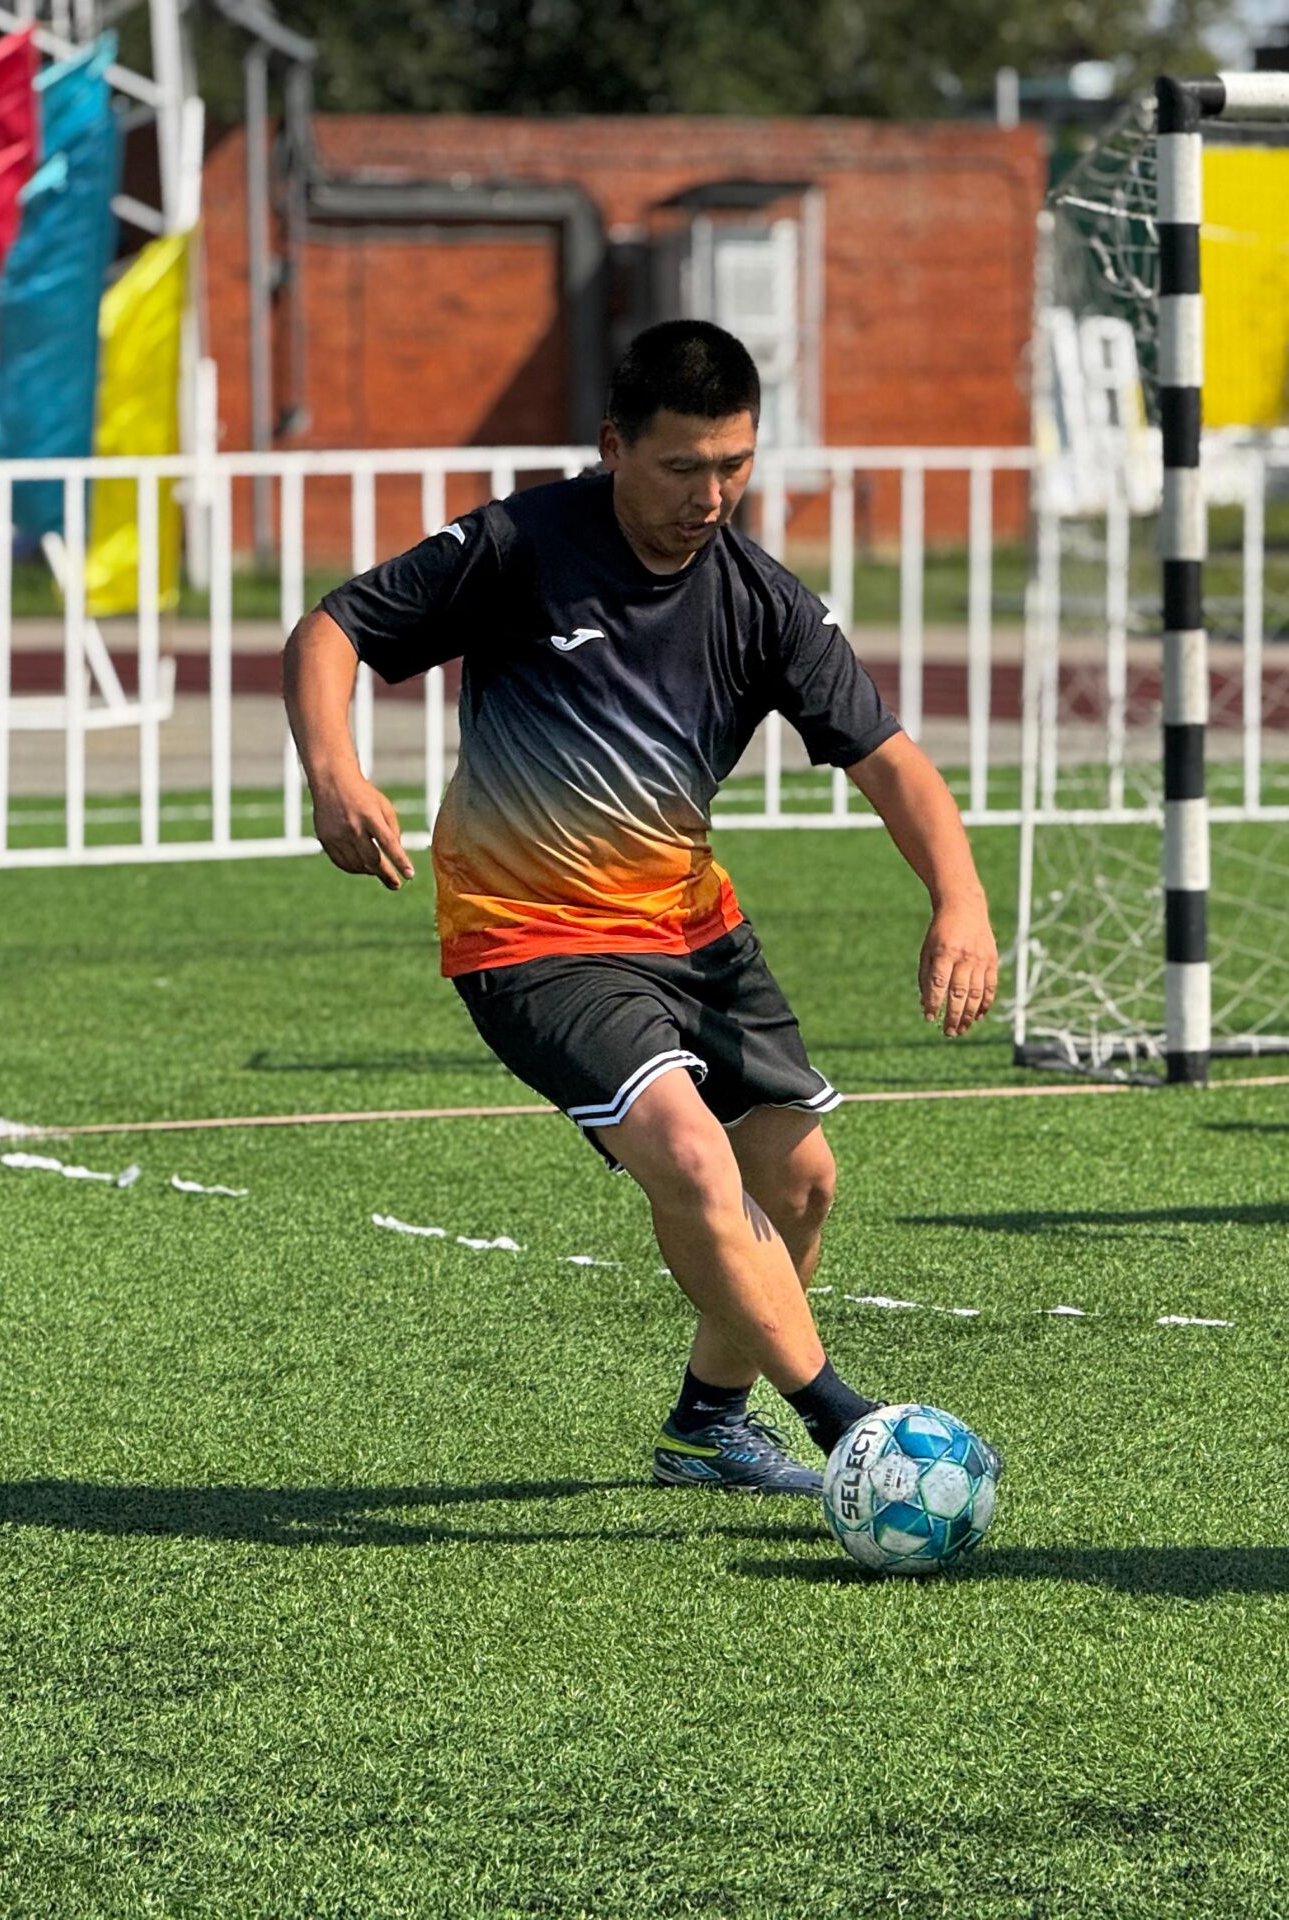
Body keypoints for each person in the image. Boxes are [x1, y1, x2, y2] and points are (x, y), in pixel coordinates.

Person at [284, 320, 999, 1497]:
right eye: (680, 468)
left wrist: (958, 901)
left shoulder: (763, 601)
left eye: (734, 466)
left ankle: (708, 1427)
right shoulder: (521, 546)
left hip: (691, 930)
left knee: (801, 1183)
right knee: (691, 1156)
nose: (709, 497)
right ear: (613, 446)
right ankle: (851, 1429)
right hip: (530, 935)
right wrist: (334, 772)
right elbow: (334, 628)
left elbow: (890, 760)